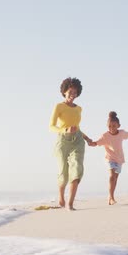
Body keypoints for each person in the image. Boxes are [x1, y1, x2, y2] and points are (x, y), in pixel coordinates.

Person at [49, 77, 94, 211]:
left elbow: (77, 127)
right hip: (63, 140)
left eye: (75, 93)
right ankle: (61, 196)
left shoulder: (79, 109)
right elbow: (51, 126)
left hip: (78, 140)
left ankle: (70, 203)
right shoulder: (59, 106)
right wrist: (65, 129)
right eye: (70, 92)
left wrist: (87, 138)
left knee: (77, 169)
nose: (72, 95)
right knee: (63, 172)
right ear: (64, 91)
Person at [88, 111, 128, 205]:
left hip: (119, 159)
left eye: (114, 126)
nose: (111, 128)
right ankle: (112, 197)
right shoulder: (105, 136)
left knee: (115, 178)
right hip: (109, 158)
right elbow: (97, 143)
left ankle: (110, 196)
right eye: (109, 126)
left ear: (118, 125)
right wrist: (92, 143)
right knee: (112, 176)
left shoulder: (121, 133)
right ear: (107, 126)